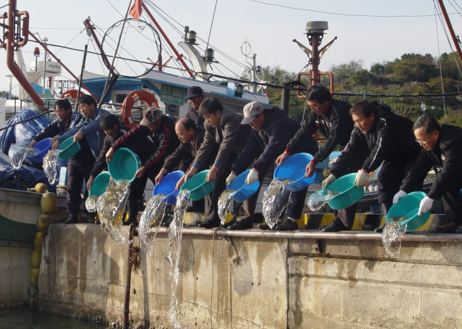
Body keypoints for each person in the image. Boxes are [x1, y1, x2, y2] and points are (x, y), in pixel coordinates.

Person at [322, 100, 421, 232]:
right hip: (394, 157)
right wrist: (334, 174)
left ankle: (411, 222)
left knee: (409, 183)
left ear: (372, 116)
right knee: (384, 181)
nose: (358, 125)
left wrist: (365, 170)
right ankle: (390, 222)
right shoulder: (359, 129)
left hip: (413, 153)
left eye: (360, 120)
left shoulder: (386, 122)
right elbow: (349, 151)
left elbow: (381, 149)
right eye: (355, 121)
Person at [228, 101, 318, 231]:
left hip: (303, 152)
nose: (251, 125)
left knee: (296, 183)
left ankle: (291, 219)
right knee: (278, 185)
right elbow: (248, 151)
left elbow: (272, 149)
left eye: (253, 120)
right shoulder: (256, 129)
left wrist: (256, 168)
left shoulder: (279, 124)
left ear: (261, 115)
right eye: (249, 122)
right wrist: (234, 171)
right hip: (284, 156)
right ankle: (274, 219)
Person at [276, 84, 354, 229]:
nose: (313, 108)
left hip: (359, 147)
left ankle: (343, 223)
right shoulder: (317, 113)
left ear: (326, 101)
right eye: (310, 106)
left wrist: (315, 160)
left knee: (342, 178)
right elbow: (304, 131)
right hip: (347, 148)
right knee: (334, 179)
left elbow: (333, 139)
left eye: (315, 105)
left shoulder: (338, 111)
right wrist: (288, 151)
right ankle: (339, 220)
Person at [176, 97, 250, 229]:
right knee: (214, 179)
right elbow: (205, 147)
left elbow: (226, 145)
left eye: (209, 117)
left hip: (248, 150)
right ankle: (213, 218)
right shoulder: (208, 125)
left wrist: (214, 169)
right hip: (233, 152)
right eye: (204, 118)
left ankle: (242, 217)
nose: (207, 121)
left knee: (243, 181)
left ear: (218, 113)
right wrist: (192, 170)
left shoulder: (230, 119)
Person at [105, 107, 180, 223]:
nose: (148, 127)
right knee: (135, 186)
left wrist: (146, 167)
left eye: (150, 125)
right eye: (147, 125)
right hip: (146, 159)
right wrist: (113, 147)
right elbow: (131, 135)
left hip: (173, 156)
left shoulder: (168, 128)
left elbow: (161, 152)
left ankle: (170, 216)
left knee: (162, 185)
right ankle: (132, 217)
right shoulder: (148, 125)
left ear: (158, 121)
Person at [88, 114, 157, 224]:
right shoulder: (108, 139)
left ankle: (168, 214)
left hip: (149, 160)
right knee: (134, 191)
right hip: (134, 167)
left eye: (108, 130)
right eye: (104, 131)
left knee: (158, 184)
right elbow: (102, 158)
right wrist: (92, 175)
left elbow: (126, 155)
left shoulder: (128, 134)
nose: (107, 133)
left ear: (115, 126)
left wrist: (114, 174)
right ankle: (132, 218)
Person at [56, 95, 110, 224]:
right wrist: (59, 138)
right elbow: (75, 130)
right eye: (80, 108)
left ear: (92, 106)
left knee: (92, 187)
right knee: (73, 186)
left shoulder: (103, 114)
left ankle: (91, 214)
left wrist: (82, 132)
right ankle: (72, 214)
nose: (82, 110)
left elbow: (96, 125)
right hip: (96, 158)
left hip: (107, 156)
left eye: (84, 106)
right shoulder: (84, 121)